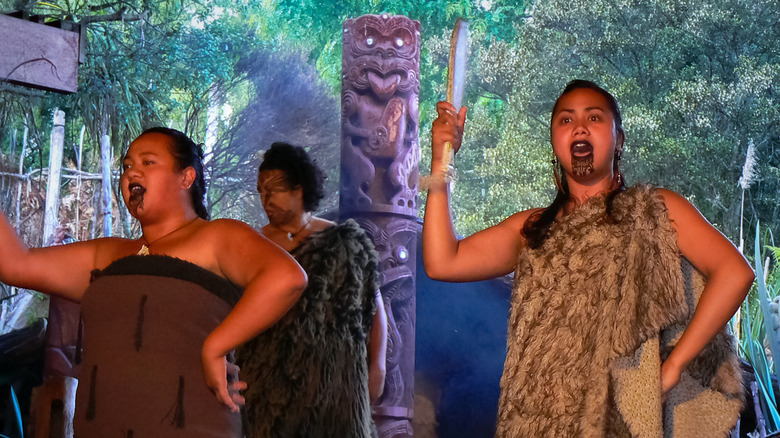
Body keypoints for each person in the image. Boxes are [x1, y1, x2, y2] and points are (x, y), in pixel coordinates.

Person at [423, 80, 754, 437]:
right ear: (555, 143)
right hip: (537, 416)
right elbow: (444, 261)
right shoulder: (533, 229)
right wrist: (441, 160)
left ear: (619, 139)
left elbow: (734, 272)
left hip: (620, 417)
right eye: (566, 121)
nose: (579, 127)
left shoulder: (654, 210)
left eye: (594, 118)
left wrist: (672, 368)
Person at [0, 127, 306, 437]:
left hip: (194, 426)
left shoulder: (217, 237)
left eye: (148, 163)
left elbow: (287, 277)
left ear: (185, 178)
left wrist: (216, 347)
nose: (132, 172)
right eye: (127, 166)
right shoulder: (105, 253)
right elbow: (14, 263)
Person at [237, 142, 387, 438]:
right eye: (260, 190)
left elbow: (374, 308)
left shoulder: (343, 241)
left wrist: (378, 367)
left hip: (337, 390)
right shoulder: (250, 245)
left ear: (300, 188)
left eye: (276, 187)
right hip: (267, 390)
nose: (266, 198)